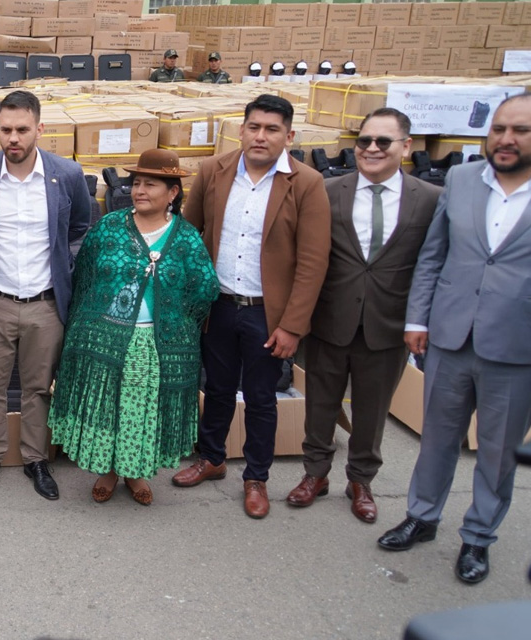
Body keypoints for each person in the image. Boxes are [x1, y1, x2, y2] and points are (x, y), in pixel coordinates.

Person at [377, 95, 531, 585]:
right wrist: (416, 320)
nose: (506, 139)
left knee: (497, 450)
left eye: (520, 130)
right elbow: (433, 256)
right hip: (448, 336)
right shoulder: (463, 180)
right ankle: (422, 516)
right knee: (437, 438)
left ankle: (478, 537)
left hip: (516, 347)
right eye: (499, 129)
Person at [173, 94, 330, 519]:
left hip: (267, 313)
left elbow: (313, 262)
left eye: (272, 129)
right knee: (217, 388)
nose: (261, 136)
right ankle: (212, 457)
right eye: (254, 127)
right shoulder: (213, 170)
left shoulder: (307, 183)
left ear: (289, 135)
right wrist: (187, 304)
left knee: (261, 397)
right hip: (218, 306)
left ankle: (256, 477)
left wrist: (292, 325)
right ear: (241, 129)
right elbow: (188, 238)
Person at [287, 109, 441, 524]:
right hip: (330, 319)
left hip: (388, 325)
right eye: (364, 141)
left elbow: (433, 264)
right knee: (320, 404)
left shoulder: (428, 199)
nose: (371, 149)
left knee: (372, 411)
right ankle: (314, 475)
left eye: (383, 142)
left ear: (406, 147)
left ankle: (361, 480)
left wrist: (422, 321)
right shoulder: (326, 190)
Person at [49, 149, 218, 505]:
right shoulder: (109, 227)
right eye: (136, 183)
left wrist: (175, 321)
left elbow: (204, 288)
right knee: (109, 406)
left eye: (150, 184)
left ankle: (135, 471)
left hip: (153, 340)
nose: (139, 190)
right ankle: (109, 470)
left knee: (141, 408)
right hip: (107, 337)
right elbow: (86, 279)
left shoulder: (185, 238)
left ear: (172, 192)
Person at [0, 90, 93, 501]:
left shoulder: (66, 174)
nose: (13, 138)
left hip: (45, 304)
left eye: (22, 129)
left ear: (40, 128)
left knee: (38, 387)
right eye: (6, 130)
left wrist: (65, 271)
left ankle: (37, 459)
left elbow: (79, 230)